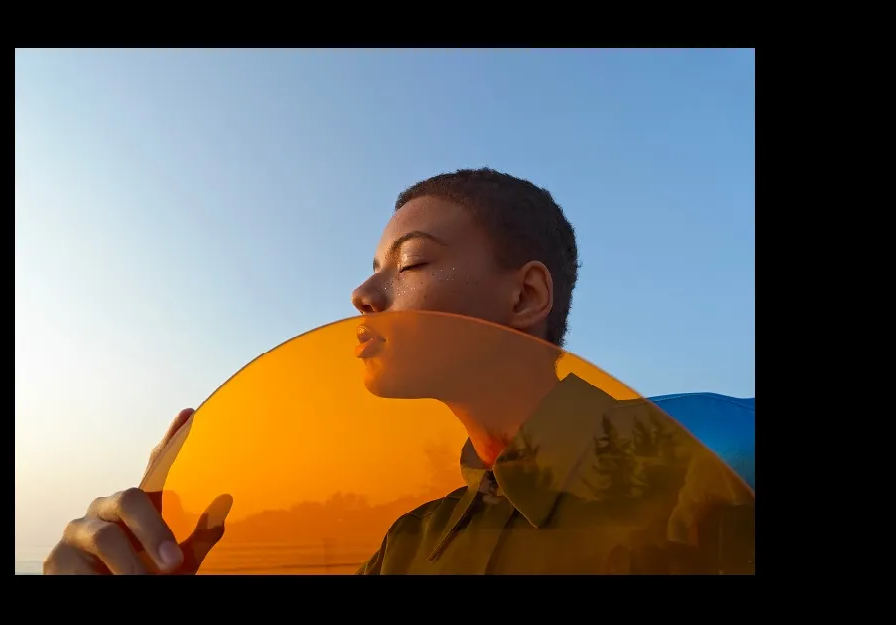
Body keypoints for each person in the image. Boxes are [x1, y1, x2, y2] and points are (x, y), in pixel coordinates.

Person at [42, 168, 754, 575]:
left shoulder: (704, 480)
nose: (362, 293)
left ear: (526, 295)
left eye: (411, 262)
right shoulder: (412, 543)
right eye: (373, 267)